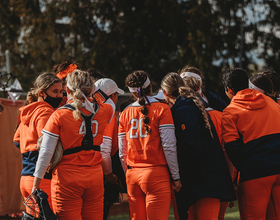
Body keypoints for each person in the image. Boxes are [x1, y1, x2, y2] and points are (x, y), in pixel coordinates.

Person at [32, 70, 114, 220]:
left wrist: (36, 183)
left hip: (66, 178)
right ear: (91, 90)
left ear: (67, 90)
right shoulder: (105, 111)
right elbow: (108, 104)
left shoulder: (59, 114)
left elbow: (46, 151)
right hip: (94, 176)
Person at [161, 72, 236, 220]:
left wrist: (181, 176)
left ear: (165, 92)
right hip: (206, 179)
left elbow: (191, 147)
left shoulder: (184, 109)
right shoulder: (188, 105)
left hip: (204, 181)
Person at [118, 70, 182, 220]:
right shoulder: (162, 109)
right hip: (156, 174)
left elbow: (123, 152)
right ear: (151, 86)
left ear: (132, 93)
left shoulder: (125, 113)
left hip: (132, 175)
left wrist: (127, 173)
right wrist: (176, 176)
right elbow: (169, 145)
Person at [221, 67, 280, 219]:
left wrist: (245, 168)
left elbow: (232, 147)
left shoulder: (230, 112)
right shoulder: (270, 102)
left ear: (229, 90)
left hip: (255, 172)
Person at [13, 72, 63, 213]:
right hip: (41, 180)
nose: (59, 95)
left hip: (26, 178)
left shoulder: (28, 111)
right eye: (55, 91)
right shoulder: (46, 112)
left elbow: (17, 141)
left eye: (61, 91)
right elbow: (46, 142)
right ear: (42, 92)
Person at [94, 78, 125, 219]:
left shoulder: (87, 108)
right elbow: (104, 150)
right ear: (112, 96)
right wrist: (110, 176)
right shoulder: (107, 113)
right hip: (100, 173)